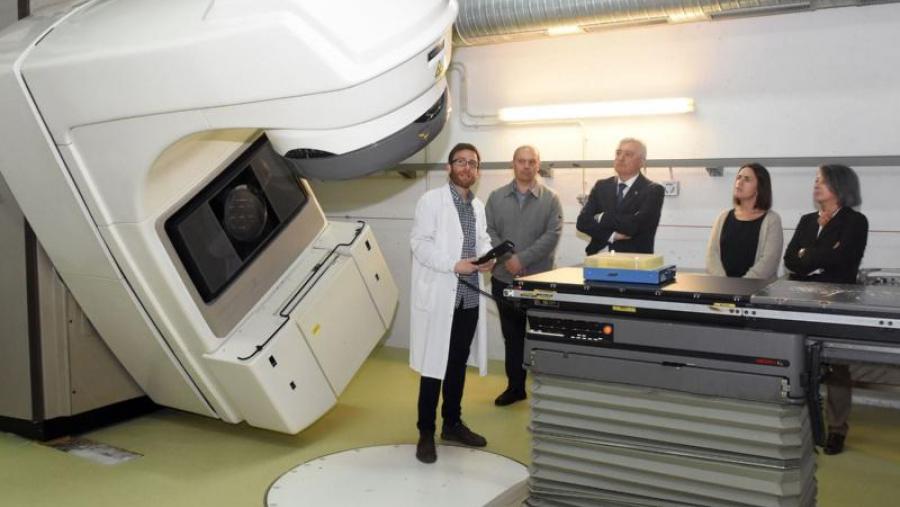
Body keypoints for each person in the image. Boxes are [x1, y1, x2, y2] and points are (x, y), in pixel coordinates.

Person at [409, 142, 495, 464]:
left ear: (477, 170)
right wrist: (453, 264)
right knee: (434, 366)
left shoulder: (478, 205)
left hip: (469, 297)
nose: (466, 168)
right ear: (449, 167)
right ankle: (425, 432)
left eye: (473, 163)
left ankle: (453, 424)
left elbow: (481, 239)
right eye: (460, 162)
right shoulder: (430, 201)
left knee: (457, 364)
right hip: (441, 295)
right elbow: (419, 244)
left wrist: (488, 260)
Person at [783, 164, 868, 456]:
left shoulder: (855, 222)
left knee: (836, 366)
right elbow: (791, 260)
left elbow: (844, 261)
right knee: (798, 359)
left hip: (835, 301)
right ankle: (802, 420)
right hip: (801, 299)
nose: (815, 185)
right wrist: (816, 257)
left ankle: (836, 429)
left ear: (840, 186)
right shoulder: (807, 220)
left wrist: (810, 255)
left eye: (822, 181)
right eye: (815, 180)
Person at [485, 145, 563, 406]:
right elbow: (489, 232)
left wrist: (523, 259)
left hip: (539, 282)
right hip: (504, 280)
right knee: (513, 336)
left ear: (538, 165)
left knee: (544, 337)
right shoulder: (495, 198)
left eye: (531, 161)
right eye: (522, 161)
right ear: (513, 164)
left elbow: (552, 235)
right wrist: (509, 260)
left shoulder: (551, 199)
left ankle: (548, 390)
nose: (526, 166)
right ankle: (516, 388)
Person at [576, 138, 665, 254]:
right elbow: (582, 222)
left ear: (642, 162)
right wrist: (611, 235)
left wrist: (601, 217)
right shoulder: (602, 186)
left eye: (628, 154)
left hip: (634, 261)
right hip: (598, 259)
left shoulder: (653, 190)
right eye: (618, 153)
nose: (621, 158)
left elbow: (635, 226)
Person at [705, 163, 783, 279]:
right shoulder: (723, 217)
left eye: (747, 179)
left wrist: (742, 286)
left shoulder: (772, 220)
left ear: (759, 187)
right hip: (722, 290)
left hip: (756, 292)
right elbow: (712, 255)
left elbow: (769, 262)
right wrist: (724, 284)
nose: (739, 183)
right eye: (738, 177)